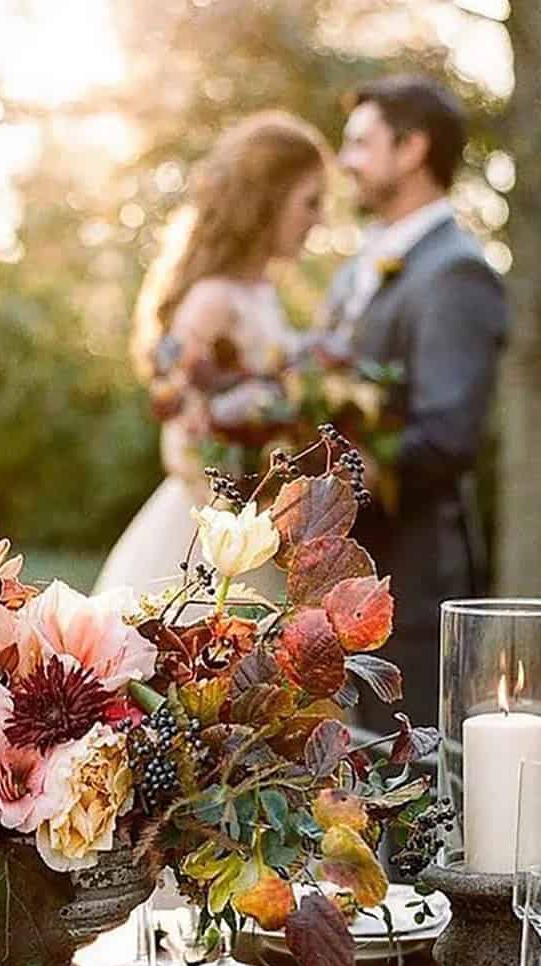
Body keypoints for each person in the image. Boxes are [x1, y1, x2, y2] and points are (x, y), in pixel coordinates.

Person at [325, 75, 508, 730]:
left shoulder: (457, 271)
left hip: (411, 586)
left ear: (410, 150)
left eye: (360, 143)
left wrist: (332, 474)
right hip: (339, 580)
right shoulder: (358, 267)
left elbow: (447, 435)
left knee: (402, 790)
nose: (344, 160)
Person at [94, 111, 328, 596]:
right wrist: (236, 530)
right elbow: (179, 443)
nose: (318, 218)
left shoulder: (261, 290)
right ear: (267, 201)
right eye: (310, 202)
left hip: (255, 521)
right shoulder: (213, 300)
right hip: (208, 534)